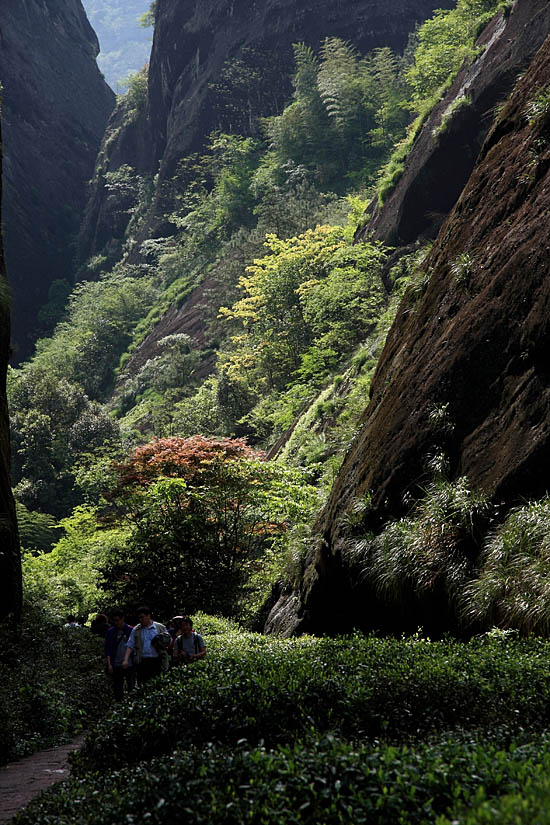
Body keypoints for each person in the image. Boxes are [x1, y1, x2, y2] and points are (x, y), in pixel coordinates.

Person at [122, 606, 171, 685]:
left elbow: (169, 641)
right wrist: (125, 660)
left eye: (142, 617)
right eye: (139, 618)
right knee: (142, 684)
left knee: (157, 684)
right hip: (142, 661)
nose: (140, 620)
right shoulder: (136, 629)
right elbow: (130, 644)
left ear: (148, 616)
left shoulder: (159, 627)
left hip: (157, 660)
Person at [105, 609, 136, 702]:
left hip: (130, 663)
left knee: (131, 685)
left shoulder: (131, 630)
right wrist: (109, 664)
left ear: (123, 619)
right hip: (116, 663)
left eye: (118, 620)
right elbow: (108, 648)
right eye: (114, 620)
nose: (116, 622)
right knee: (118, 687)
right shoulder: (111, 632)